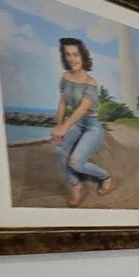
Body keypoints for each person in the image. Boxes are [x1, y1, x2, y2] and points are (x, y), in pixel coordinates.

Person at [51, 37, 112, 206]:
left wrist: (64, 128)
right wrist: (58, 125)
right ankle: (75, 184)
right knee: (58, 147)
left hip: (92, 126)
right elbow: (62, 103)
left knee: (76, 163)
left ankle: (105, 176)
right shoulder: (65, 77)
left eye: (76, 54)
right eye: (68, 54)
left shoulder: (90, 83)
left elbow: (82, 110)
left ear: (83, 56)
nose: (72, 59)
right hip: (76, 124)